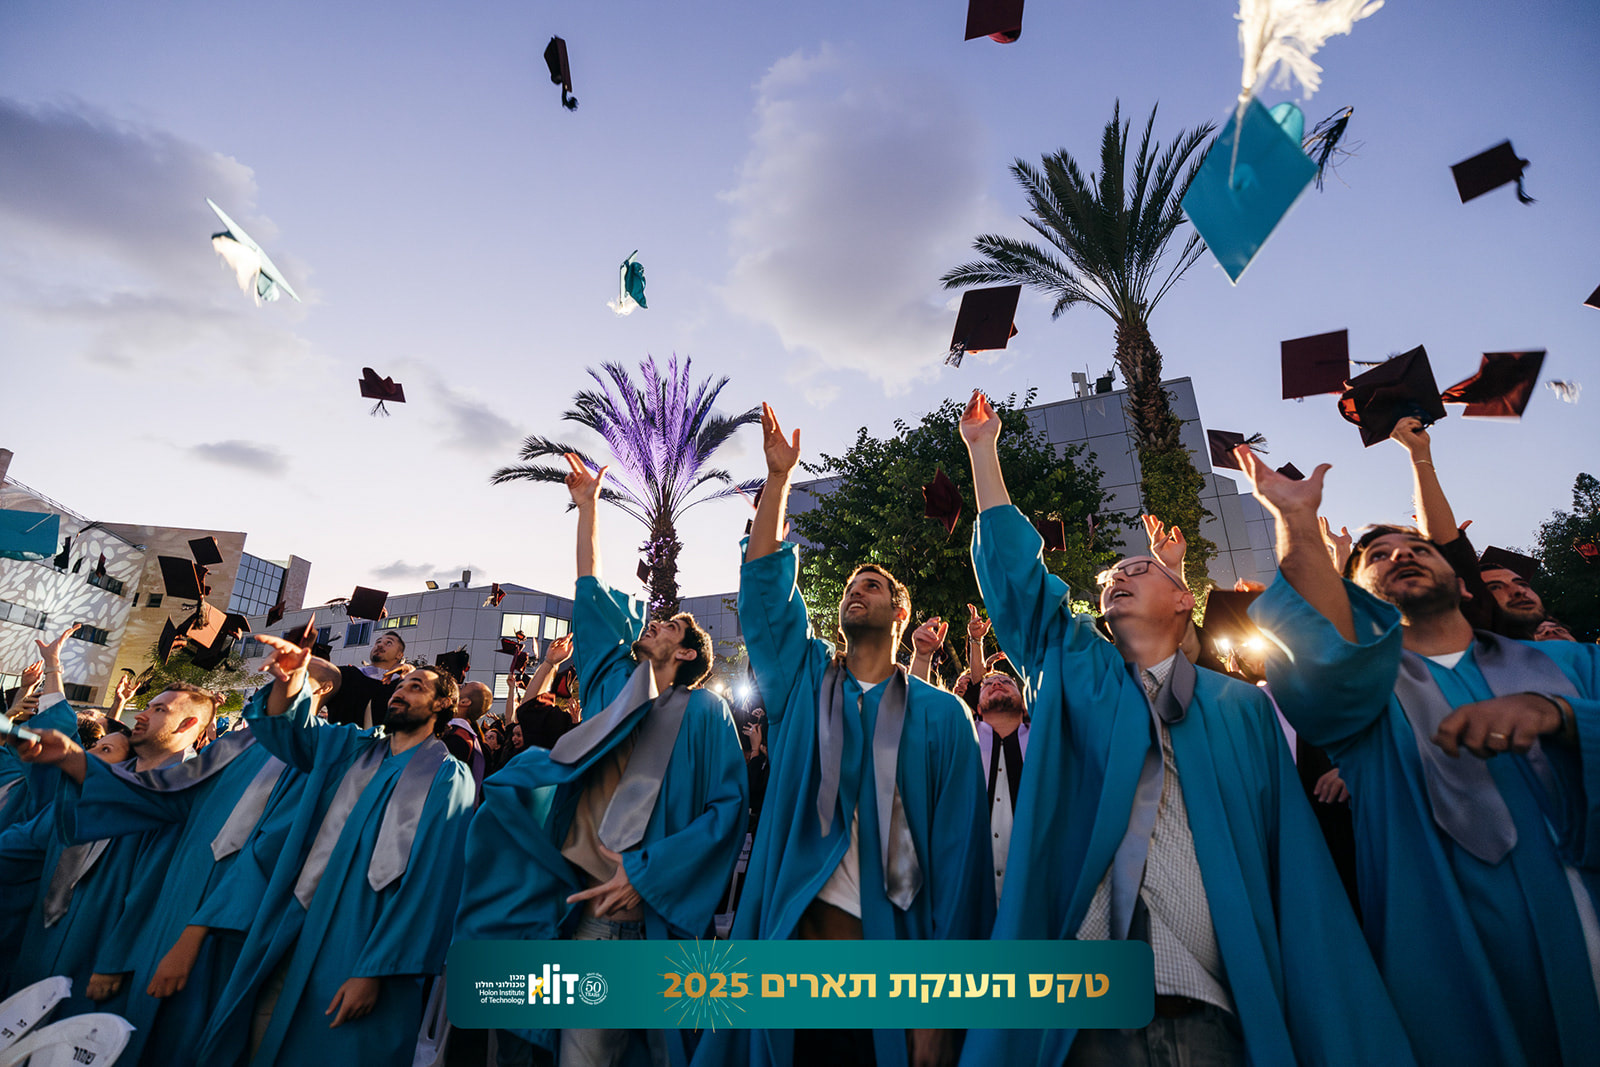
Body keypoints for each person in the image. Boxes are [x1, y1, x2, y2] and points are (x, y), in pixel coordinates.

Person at [958, 391, 1413, 1067]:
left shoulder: (1239, 707)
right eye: (1112, 576)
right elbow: (1018, 582)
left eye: (1138, 569)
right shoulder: (1074, 671)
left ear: (1183, 598)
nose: (1117, 577)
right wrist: (982, 450)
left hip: (1207, 1008)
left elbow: (1288, 861)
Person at [1239, 445, 1600, 1067]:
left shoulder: (1568, 664)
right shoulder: (1366, 697)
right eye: (1377, 556)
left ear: (1461, 582)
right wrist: (1295, 523)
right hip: (1444, 945)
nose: (1400, 554)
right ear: (1361, 598)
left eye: (1417, 548)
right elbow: (1318, 652)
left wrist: (1562, 716)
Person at [695, 404, 993, 1067]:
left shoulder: (943, 716)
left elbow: (960, 865)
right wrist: (779, 480)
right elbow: (766, 597)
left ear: (901, 611)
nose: (858, 591)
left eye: (874, 585)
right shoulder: (805, 685)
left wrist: (942, 1008)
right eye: (852, 586)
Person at [455, 453, 747, 1067]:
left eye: (670, 627)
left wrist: (648, 874)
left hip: (632, 913)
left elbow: (726, 812)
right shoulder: (613, 681)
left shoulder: (706, 713)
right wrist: (588, 507)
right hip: (562, 904)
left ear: (688, 655)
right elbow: (590, 591)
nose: (655, 624)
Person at [193, 638, 474, 1067]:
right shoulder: (354, 748)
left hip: (365, 940)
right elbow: (292, 732)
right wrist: (289, 680)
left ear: (442, 705)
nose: (400, 692)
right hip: (300, 923)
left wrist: (375, 970)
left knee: (337, 1051)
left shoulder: (447, 776)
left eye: (417, 687)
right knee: (262, 1040)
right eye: (400, 686)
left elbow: (434, 883)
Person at [6, 626, 210, 1021]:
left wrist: (118, 956)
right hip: (41, 936)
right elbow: (30, 839)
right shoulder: (97, 784)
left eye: (160, 710)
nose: (143, 714)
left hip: (104, 950)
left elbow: (164, 891)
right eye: (148, 706)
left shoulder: (188, 796)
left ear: (187, 726)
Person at [323, 629, 410, 728]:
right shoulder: (345, 675)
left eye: (388, 643)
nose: (380, 645)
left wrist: (409, 672)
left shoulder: (402, 687)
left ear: (399, 655)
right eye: (378, 642)